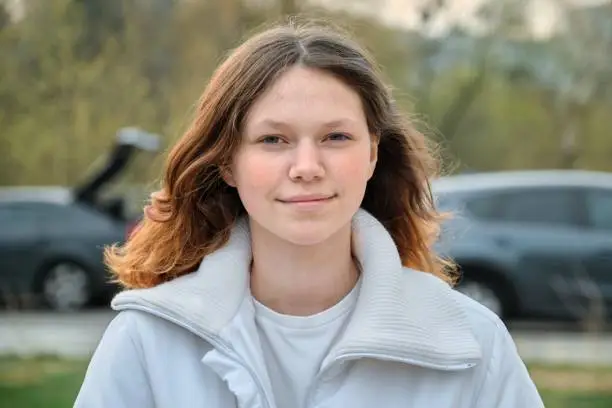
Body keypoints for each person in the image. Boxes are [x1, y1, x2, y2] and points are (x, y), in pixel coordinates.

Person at [74, 20, 544, 408]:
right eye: (273, 139)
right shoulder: (147, 341)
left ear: (373, 154)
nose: (306, 168)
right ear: (227, 163)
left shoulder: (470, 344)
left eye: (335, 137)